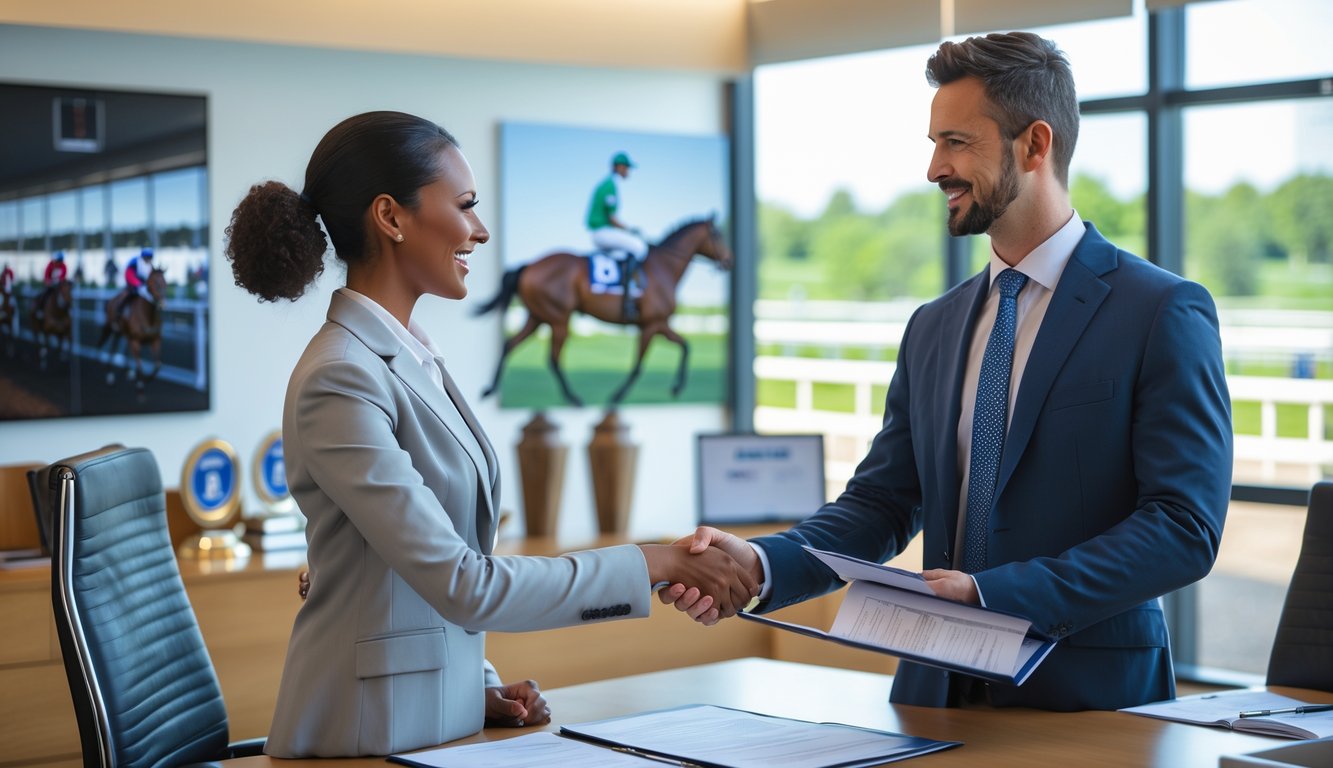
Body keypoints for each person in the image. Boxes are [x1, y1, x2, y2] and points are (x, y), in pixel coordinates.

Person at [663, 31, 1232, 712]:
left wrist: (990, 597)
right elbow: (881, 503)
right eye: (934, 143)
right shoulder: (932, 326)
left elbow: (1181, 528)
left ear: (1034, 144)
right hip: (932, 691)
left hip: (1088, 700)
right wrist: (759, 563)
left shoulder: (1159, 311)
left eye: (956, 142)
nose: (934, 168)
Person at [224, 111, 757, 758]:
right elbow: (462, 580)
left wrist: (470, 682)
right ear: (391, 217)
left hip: (426, 721)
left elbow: (405, 575)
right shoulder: (341, 379)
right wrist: (652, 562)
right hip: (360, 737)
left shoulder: (411, 358)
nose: (479, 230)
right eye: (466, 206)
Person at [586, 151, 648, 321]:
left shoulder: (607, 184)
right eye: (626, 167)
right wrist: (630, 230)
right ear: (618, 167)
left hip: (602, 232)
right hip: (601, 231)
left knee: (623, 253)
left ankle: (619, 284)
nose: (628, 171)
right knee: (639, 246)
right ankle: (628, 292)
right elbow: (612, 219)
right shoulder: (609, 186)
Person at [34, 250, 68, 318]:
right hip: (50, 285)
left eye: (61, 260)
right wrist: (48, 282)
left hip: (59, 285)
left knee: (66, 294)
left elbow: (63, 276)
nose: (60, 262)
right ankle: (40, 309)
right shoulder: (50, 265)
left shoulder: (63, 266)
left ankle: (66, 310)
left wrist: (60, 282)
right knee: (44, 294)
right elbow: (46, 275)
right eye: (59, 260)